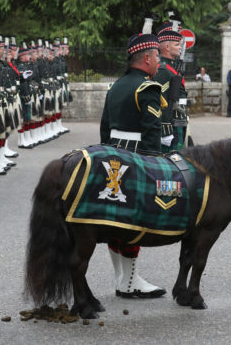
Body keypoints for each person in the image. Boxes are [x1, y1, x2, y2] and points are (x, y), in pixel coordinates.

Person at [99, 20, 167, 299]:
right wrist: (156, 167)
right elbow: (151, 133)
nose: (160, 62)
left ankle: (122, 277)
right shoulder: (147, 88)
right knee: (133, 222)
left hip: (112, 155)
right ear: (147, 58)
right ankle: (130, 282)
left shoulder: (116, 86)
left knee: (116, 219)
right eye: (158, 56)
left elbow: (104, 127)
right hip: (137, 158)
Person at [153, 18, 184, 152]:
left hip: (178, 120)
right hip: (170, 123)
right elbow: (161, 101)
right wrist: (165, 129)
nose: (180, 48)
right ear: (166, 47)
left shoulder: (172, 68)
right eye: (177, 45)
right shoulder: (162, 69)